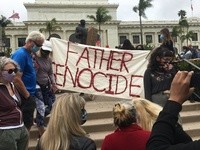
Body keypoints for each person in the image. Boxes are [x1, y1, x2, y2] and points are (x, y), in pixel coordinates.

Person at [146, 71, 197, 150]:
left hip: (170, 100)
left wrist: (174, 100)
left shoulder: (170, 70)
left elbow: (156, 147)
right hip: (160, 99)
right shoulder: (149, 72)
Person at [11, 31, 45, 131]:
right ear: (30, 41)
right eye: (38, 45)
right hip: (24, 96)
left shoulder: (29, 54)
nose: (39, 47)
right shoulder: (21, 54)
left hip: (28, 94)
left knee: (28, 123)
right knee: (25, 125)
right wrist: (27, 96)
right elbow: (16, 78)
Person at [0, 57, 29, 150]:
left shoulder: (12, 85)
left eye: (15, 70)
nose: (13, 73)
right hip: (6, 130)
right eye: (9, 71)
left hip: (20, 128)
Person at [34, 40, 58, 136]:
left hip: (46, 84)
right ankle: (40, 126)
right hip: (36, 85)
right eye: (44, 51)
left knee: (51, 104)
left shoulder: (49, 59)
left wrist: (53, 83)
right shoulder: (35, 57)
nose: (46, 53)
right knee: (40, 107)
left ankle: (38, 119)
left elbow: (50, 72)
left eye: (48, 51)